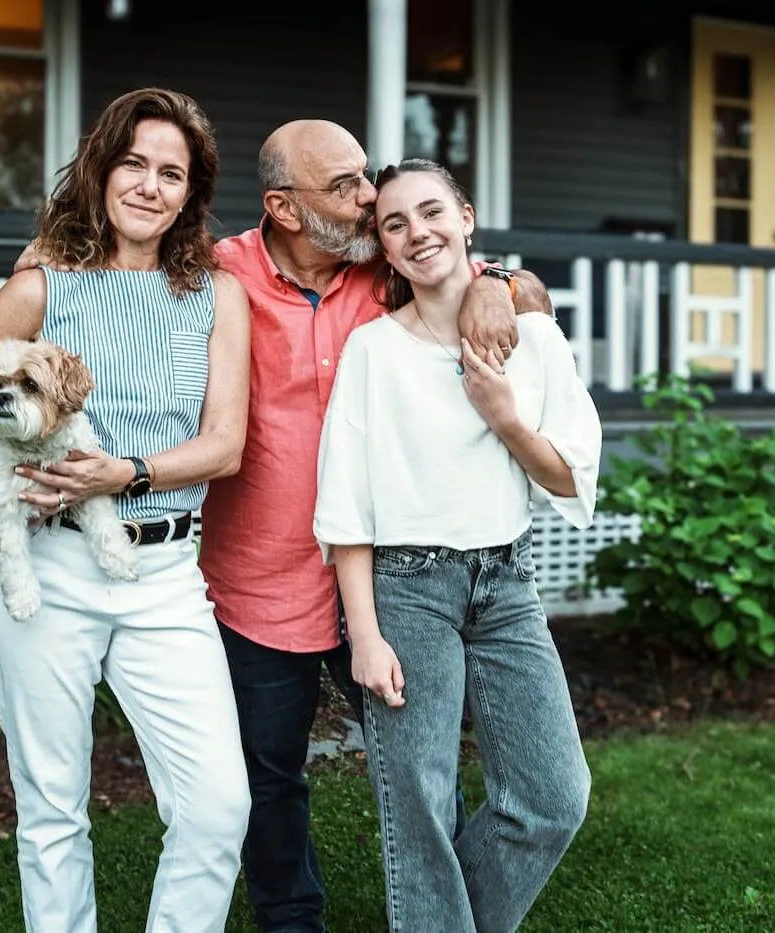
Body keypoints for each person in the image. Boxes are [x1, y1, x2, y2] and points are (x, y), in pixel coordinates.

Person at [16, 118, 554, 933]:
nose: (371, 198)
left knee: (420, 767)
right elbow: (95, 273)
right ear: (285, 207)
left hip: (389, 573)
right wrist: (36, 268)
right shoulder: (214, 275)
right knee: (268, 776)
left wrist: (497, 280)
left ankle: (443, 918)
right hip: (258, 582)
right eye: (345, 186)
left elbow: (522, 294)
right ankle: (291, 919)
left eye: (366, 176)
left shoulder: (385, 271)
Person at [0, 88, 253, 933]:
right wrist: (1, 508)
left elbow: (225, 444)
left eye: (171, 172)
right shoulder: (41, 286)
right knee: (54, 808)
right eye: (134, 163)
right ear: (101, 171)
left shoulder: (218, 294)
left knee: (218, 804)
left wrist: (123, 473)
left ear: (191, 192)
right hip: (50, 568)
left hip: (166, 570)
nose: (150, 185)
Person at [313, 158, 599, 933]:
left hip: (506, 584)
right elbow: (347, 508)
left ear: (466, 218)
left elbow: (570, 479)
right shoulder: (374, 352)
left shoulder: (533, 338)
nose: (417, 233)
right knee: (421, 804)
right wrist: (365, 635)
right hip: (407, 587)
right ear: (385, 247)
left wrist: (505, 415)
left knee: (552, 795)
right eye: (395, 224)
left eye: (432, 212)